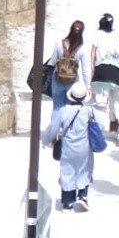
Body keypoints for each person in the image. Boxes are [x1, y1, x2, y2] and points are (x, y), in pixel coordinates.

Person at [41, 79, 96, 212]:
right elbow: (100, 125)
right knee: (84, 170)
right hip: (85, 146)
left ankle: (67, 202)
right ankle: (83, 196)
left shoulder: (63, 111)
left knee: (67, 171)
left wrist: (45, 140)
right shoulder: (89, 111)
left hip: (68, 146)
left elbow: (53, 128)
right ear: (84, 97)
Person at [89, 14, 119, 137]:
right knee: (112, 89)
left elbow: (93, 50)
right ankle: (106, 102)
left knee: (96, 82)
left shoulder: (97, 34)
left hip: (100, 63)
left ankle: (94, 98)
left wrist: (92, 63)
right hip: (113, 65)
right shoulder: (115, 35)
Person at [46, 19, 88, 115]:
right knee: (70, 108)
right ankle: (67, 128)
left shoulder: (59, 43)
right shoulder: (82, 48)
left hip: (57, 79)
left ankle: (55, 127)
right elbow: (86, 70)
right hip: (72, 81)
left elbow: (52, 62)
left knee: (57, 107)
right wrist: (87, 86)